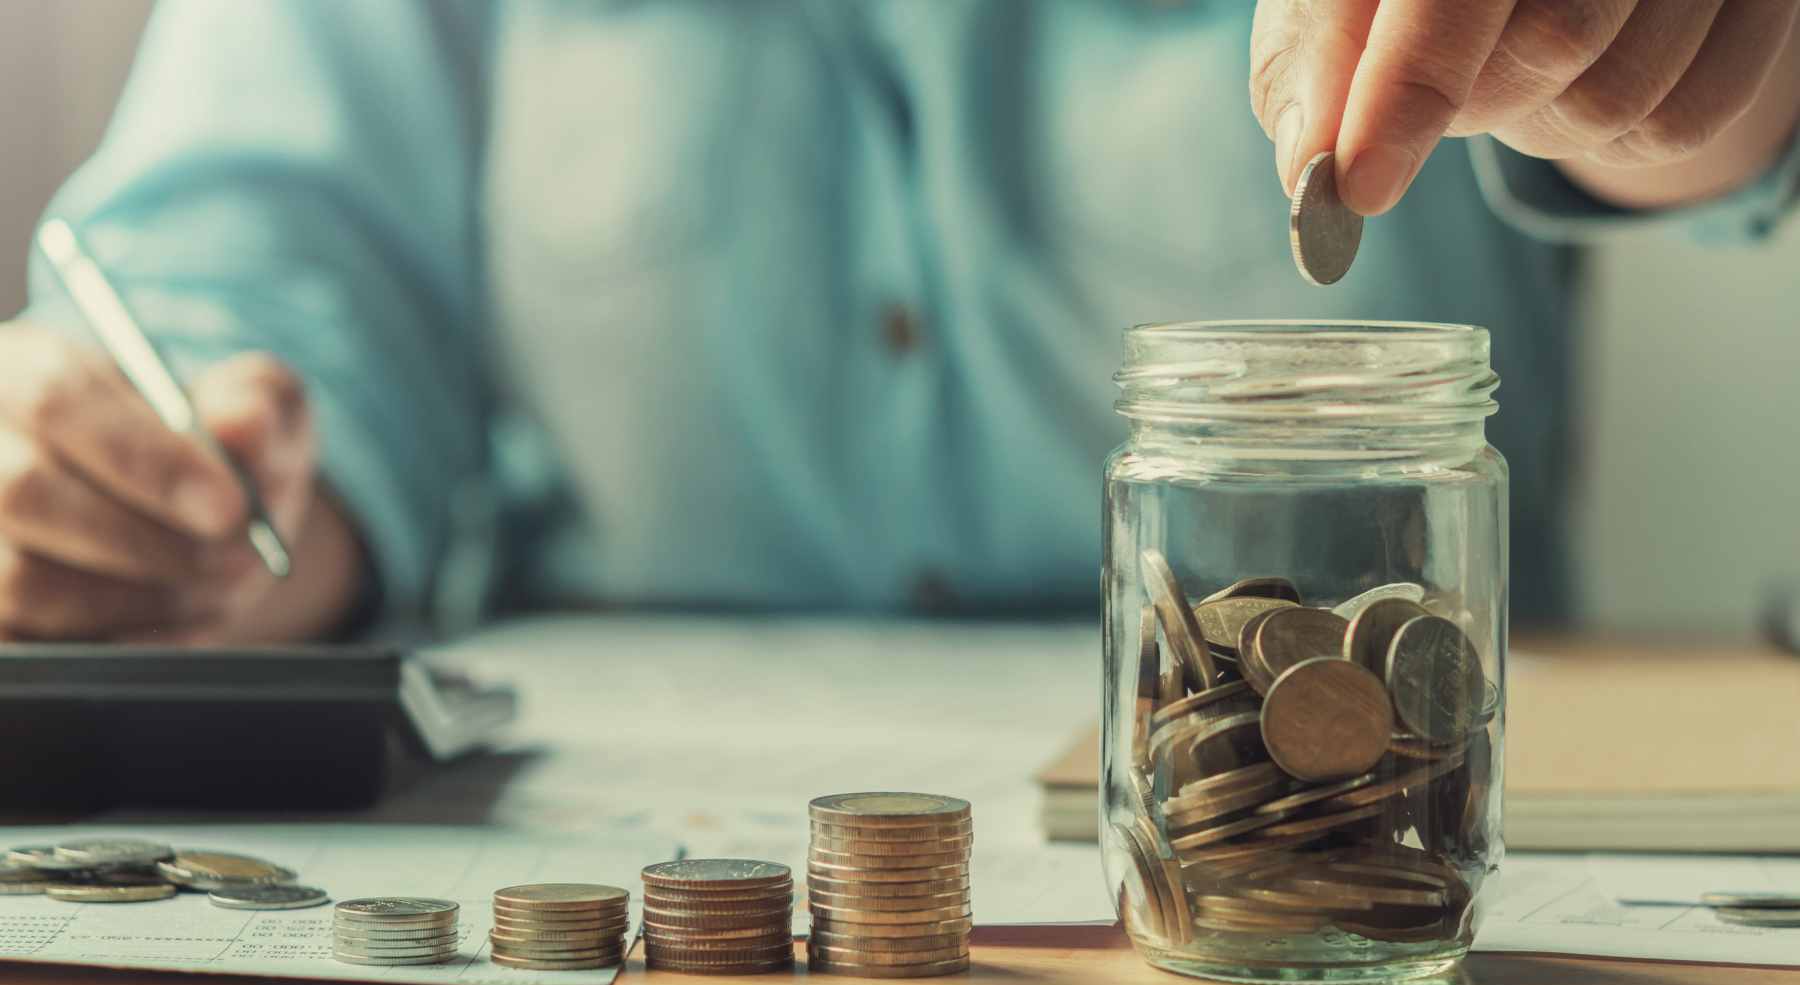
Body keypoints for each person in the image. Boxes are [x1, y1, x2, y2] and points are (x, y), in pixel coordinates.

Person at [3, 1, 1797, 643]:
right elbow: (257, 304)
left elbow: (1705, 129)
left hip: (1365, 835)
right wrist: (174, 518)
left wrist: (1675, 63)